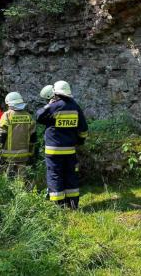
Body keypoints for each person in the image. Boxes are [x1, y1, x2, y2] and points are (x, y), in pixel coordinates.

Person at [36, 81, 88, 209]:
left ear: (56, 93)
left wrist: (48, 105)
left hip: (53, 151)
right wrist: (80, 142)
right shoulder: (75, 107)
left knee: (55, 175)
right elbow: (84, 129)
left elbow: (38, 116)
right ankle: (73, 204)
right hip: (70, 150)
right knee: (71, 175)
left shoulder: (54, 106)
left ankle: (59, 206)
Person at [0, 92, 36, 177]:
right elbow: (33, 137)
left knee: (6, 177)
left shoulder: (7, 115)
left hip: (8, 155)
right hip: (24, 154)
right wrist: (31, 153)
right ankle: (23, 189)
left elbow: (1, 136)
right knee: (21, 178)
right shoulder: (28, 116)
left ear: (10, 104)